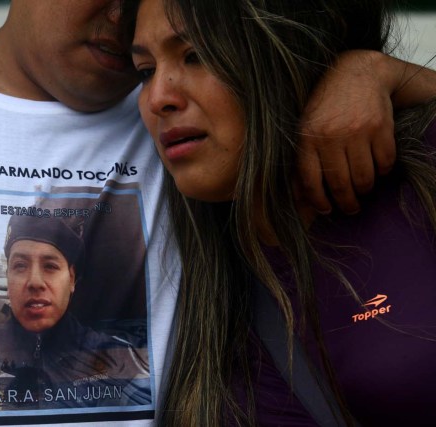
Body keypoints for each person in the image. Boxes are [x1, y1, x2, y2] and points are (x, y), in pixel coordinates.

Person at [0, 0, 435, 425]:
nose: (121, 11)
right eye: (148, 64)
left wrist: (377, 74)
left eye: (188, 54)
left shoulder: (191, 141)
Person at [131, 0, 436, 425]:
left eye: (196, 55)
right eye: (145, 72)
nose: (158, 97)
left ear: (281, 49)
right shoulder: (193, 259)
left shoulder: (419, 173)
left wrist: (385, 72)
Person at [0, 214, 150, 410]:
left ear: (71, 279)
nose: (35, 281)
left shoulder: (122, 359)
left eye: (50, 266)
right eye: (20, 265)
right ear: (8, 278)